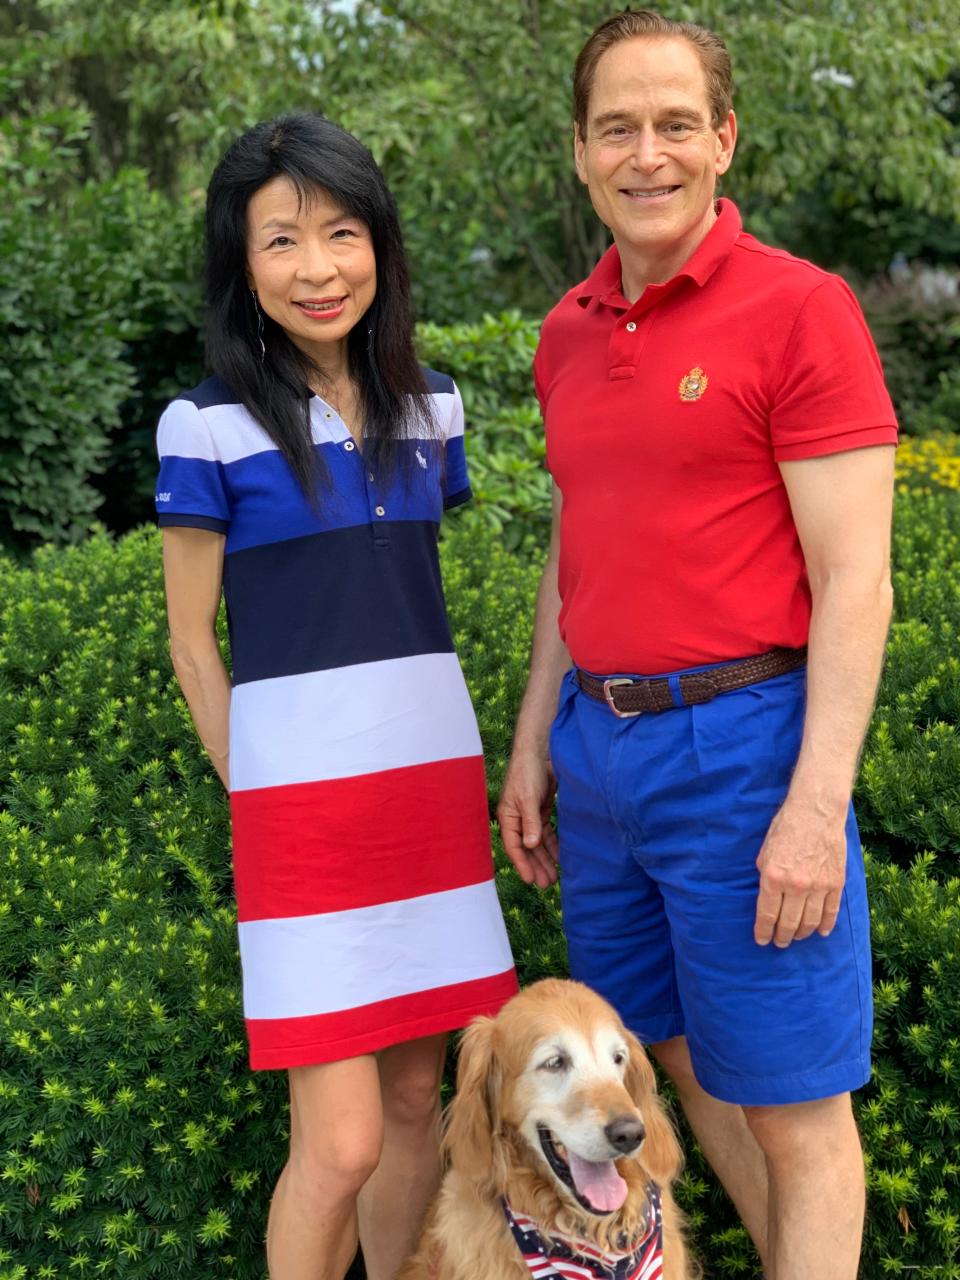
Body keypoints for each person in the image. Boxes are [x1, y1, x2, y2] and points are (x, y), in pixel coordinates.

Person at [497, 12, 897, 1280]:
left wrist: (813, 806)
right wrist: (531, 747)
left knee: (796, 1106)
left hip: (745, 749)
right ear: (579, 150)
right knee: (663, 1053)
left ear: (724, 140)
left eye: (677, 123)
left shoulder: (802, 310)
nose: (647, 152)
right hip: (600, 756)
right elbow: (577, 549)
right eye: (618, 125)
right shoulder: (566, 332)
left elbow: (856, 577)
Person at [156, 113, 517, 1280]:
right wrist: (260, 790)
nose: (317, 267)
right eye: (281, 241)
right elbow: (192, 646)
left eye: (342, 232)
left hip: (432, 805)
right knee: (342, 1139)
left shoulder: (433, 409)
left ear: (382, 247)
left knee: (419, 1097)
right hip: (302, 821)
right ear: (241, 264)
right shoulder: (204, 425)